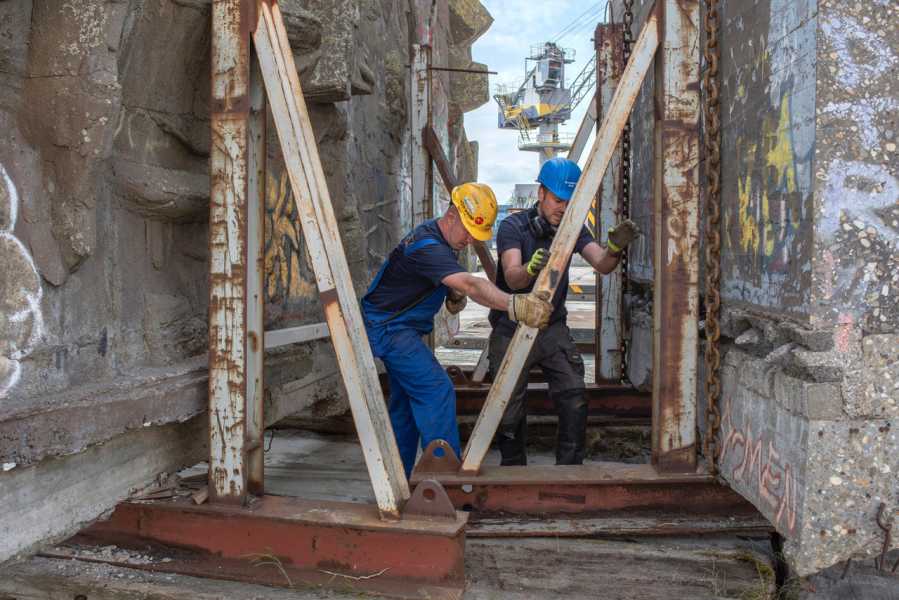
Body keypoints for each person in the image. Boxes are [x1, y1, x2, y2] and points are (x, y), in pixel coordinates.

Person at [362, 182, 554, 477]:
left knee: (406, 404)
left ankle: (397, 476)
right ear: (452, 216)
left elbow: (443, 283)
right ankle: (444, 476)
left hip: (399, 328)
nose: (469, 240)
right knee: (437, 390)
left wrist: (447, 292)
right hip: (390, 329)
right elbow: (472, 284)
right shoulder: (428, 247)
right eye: (467, 230)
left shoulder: (440, 239)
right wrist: (517, 305)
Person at [487, 157, 639, 466]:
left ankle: (569, 468)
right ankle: (513, 470)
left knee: (574, 397)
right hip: (511, 326)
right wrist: (531, 269)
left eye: (569, 202)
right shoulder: (513, 227)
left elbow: (603, 265)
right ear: (541, 193)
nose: (562, 208)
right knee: (507, 407)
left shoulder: (573, 229)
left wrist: (615, 249)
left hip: (552, 329)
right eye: (557, 200)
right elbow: (512, 274)